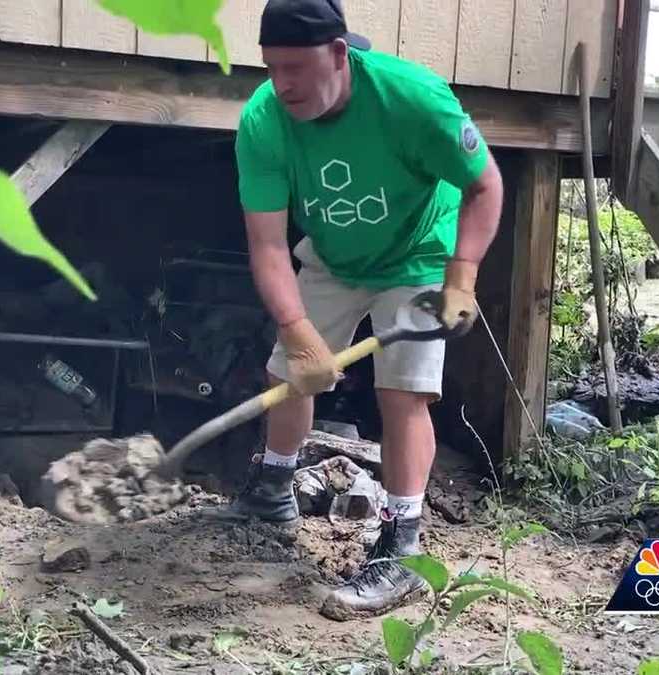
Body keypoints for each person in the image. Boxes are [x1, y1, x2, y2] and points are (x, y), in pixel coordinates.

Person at [207, 0, 504, 620]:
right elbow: (266, 246)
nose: (281, 83)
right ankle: (272, 491)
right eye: (270, 67)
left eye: (296, 67)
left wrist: (462, 276)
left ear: (341, 55)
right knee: (286, 373)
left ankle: (400, 544)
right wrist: (297, 334)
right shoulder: (264, 121)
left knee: (403, 393)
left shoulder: (411, 98)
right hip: (336, 257)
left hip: (419, 253)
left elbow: (485, 184)